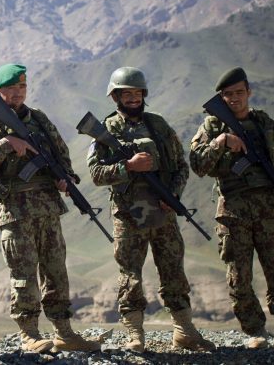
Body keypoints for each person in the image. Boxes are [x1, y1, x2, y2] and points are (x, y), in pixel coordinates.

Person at [0, 63, 101, 354]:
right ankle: (28, 334)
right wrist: (5, 143)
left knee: (56, 271)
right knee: (23, 274)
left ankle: (64, 332)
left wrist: (67, 178)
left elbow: (60, 152)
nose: (18, 92)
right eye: (11, 87)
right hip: (15, 211)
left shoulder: (39, 119)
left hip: (48, 207)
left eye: (22, 87)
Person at [86, 67, 215, 353]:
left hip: (164, 213)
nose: (133, 98)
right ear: (115, 97)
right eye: (126, 93)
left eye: (137, 93)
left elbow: (181, 165)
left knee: (174, 272)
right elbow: (95, 173)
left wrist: (174, 195)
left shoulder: (158, 125)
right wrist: (127, 167)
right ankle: (135, 334)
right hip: (128, 216)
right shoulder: (106, 130)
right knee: (130, 275)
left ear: (143, 95)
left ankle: (184, 330)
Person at [189, 67, 274, 350]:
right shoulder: (212, 127)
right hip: (234, 212)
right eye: (228, 95)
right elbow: (198, 165)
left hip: (268, 210)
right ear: (221, 97)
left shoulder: (265, 125)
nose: (234, 99)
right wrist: (221, 142)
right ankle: (255, 331)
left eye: (239, 93)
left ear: (249, 92)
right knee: (239, 276)